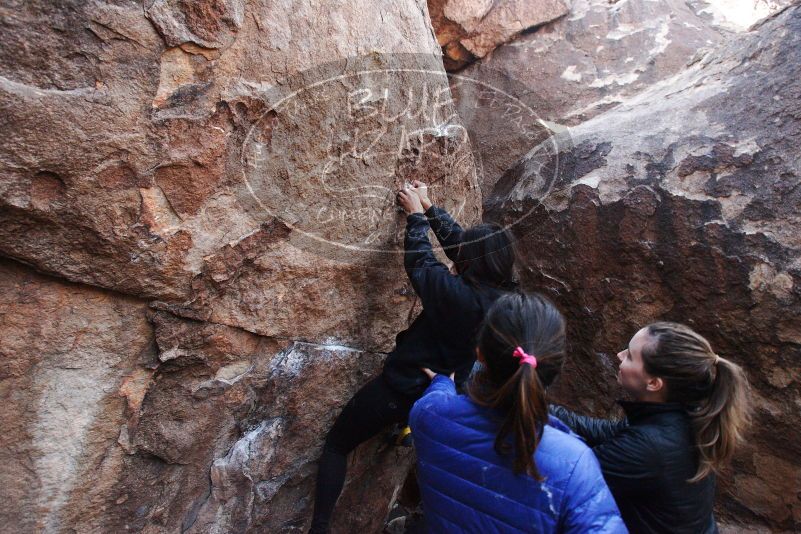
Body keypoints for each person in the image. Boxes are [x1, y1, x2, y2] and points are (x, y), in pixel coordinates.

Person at [309, 181, 519, 533]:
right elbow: (463, 250)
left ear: (471, 263)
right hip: (450, 390)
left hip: (402, 389)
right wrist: (431, 209)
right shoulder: (505, 297)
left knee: (336, 445)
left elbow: (422, 262)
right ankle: (408, 430)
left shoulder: (455, 295)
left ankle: (319, 528)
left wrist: (416, 218)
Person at [410, 292, 627, 533]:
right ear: (555, 369)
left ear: (479, 353)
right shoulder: (574, 464)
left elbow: (438, 400)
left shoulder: (429, 414)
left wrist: (442, 383)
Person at [551, 322, 752, 534]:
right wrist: (536, 407)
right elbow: (602, 431)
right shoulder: (682, 417)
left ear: (654, 383)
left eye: (630, 356)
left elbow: (566, 475)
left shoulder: (649, 447)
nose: (619, 355)